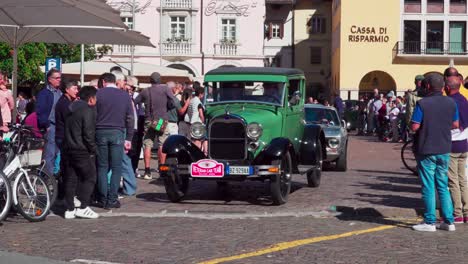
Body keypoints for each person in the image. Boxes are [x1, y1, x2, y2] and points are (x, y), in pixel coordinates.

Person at [411, 73, 459, 232]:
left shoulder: (423, 103)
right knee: (443, 185)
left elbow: (414, 127)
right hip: (444, 148)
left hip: (427, 148)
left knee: (428, 185)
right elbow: (455, 123)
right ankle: (449, 221)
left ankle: (430, 221)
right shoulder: (451, 103)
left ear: (428, 86)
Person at [95, 72, 134, 209]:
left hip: (100, 132)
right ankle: (112, 199)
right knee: (117, 167)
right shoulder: (124, 95)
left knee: (102, 167)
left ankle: (102, 198)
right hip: (118, 132)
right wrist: (129, 137)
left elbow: (92, 114)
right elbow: (130, 117)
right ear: (114, 81)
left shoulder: (98, 94)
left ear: (104, 82)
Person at [62, 86, 99, 219]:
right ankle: (83, 206)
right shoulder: (87, 110)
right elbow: (88, 133)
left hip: (68, 148)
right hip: (81, 149)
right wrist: (94, 149)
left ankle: (70, 208)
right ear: (91, 99)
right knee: (90, 177)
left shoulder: (70, 108)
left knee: (71, 179)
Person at [134, 72, 174, 180]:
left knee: (148, 144)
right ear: (160, 80)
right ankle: (162, 170)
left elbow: (135, 101)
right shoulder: (165, 89)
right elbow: (173, 102)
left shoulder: (145, 91)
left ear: (150, 81)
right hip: (161, 120)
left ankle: (147, 172)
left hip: (149, 120)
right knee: (162, 144)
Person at [444, 77, 468, 224]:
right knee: (463, 180)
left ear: (447, 87)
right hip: (464, 143)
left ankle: (457, 213)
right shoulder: (464, 100)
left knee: (453, 180)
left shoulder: (449, 103)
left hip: (452, 143)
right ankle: (467, 211)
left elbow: (451, 123)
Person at [36, 68, 62, 176]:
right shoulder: (45, 93)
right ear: (49, 79)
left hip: (60, 127)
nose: (59, 80)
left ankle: (53, 175)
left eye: (60, 78)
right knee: (50, 153)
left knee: (57, 153)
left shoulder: (60, 92)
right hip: (50, 126)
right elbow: (40, 110)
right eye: (57, 78)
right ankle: (48, 178)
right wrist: (46, 125)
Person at [186, 86, 206, 152]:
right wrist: (203, 122)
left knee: (193, 141)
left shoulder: (191, 100)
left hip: (191, 123)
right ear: (200, 94)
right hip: (198, 124)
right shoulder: (198, 102)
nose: (203, 96)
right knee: (198, 141)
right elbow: (201, 114)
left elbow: (189, 112)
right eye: (203, 94)